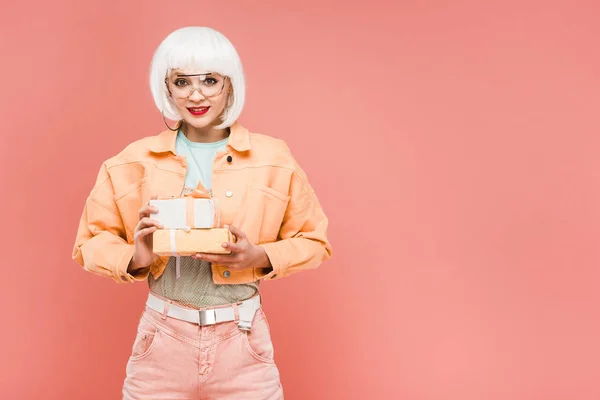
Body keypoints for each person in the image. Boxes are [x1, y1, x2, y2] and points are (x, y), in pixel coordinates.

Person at [71, 26, 332, 399]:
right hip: (161, 340)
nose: (196, 94)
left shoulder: (274, 158)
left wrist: (258, 256)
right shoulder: (132, 161)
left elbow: (314, 240)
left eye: (210, 80)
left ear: (230, 84)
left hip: (242, 339)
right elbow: (90, 241)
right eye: (181, 82)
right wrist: (136, 256)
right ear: (167, 88)